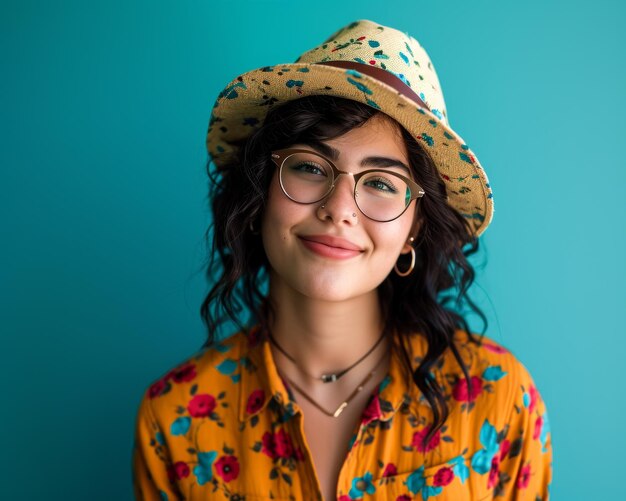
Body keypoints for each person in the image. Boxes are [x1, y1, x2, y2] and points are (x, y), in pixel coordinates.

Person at [132, 19, 552, 500]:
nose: (339, 209)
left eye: (380, 183)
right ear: (259, 195)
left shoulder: (498, 401)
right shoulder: (174, 421)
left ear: (414, 227)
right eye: (311, 167)